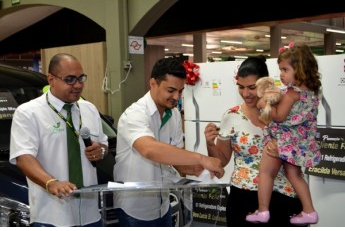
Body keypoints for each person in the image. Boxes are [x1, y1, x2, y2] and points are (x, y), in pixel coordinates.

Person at [113, 57, 225, 227]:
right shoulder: (134, 114)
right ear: (153, 84)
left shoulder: (172, 115)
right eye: (171, 90)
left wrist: (197, 169)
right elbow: (149, 149)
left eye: (181, 91)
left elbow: (175, 158)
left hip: (163, 205)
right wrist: (201, 159)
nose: (176, 97)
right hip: (134, 209)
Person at [205, 56, 305, 227]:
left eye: (252, 87)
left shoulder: (285, 108)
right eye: (240, 87)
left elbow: (304, 149)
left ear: (266, 84)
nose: (245, 94)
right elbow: (222, 161)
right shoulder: (232, 116)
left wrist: (283, 148)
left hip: (283, 195)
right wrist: (209, 144)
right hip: (243, 198)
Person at [9, 53, 108, 227]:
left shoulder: (89, 109)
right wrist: (51, 183)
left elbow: (103, 144)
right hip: (52, 215)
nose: (78, 85)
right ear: (51, 79)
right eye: (70, 79)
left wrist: (100, 150)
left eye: (81, 78)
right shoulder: (29, 113)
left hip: (90, 213)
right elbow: (23, 157)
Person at [246, 44, 321, 225]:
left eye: (285, 70)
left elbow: (279, 116)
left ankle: (263, 210)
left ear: (301, 69)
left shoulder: (292, 93)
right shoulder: (311, 92)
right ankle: (309, 211)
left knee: (265, 173)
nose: (281, 74)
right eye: (281, 70)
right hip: (299, 141)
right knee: (295, 175)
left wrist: (265, 106)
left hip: (283, 140)